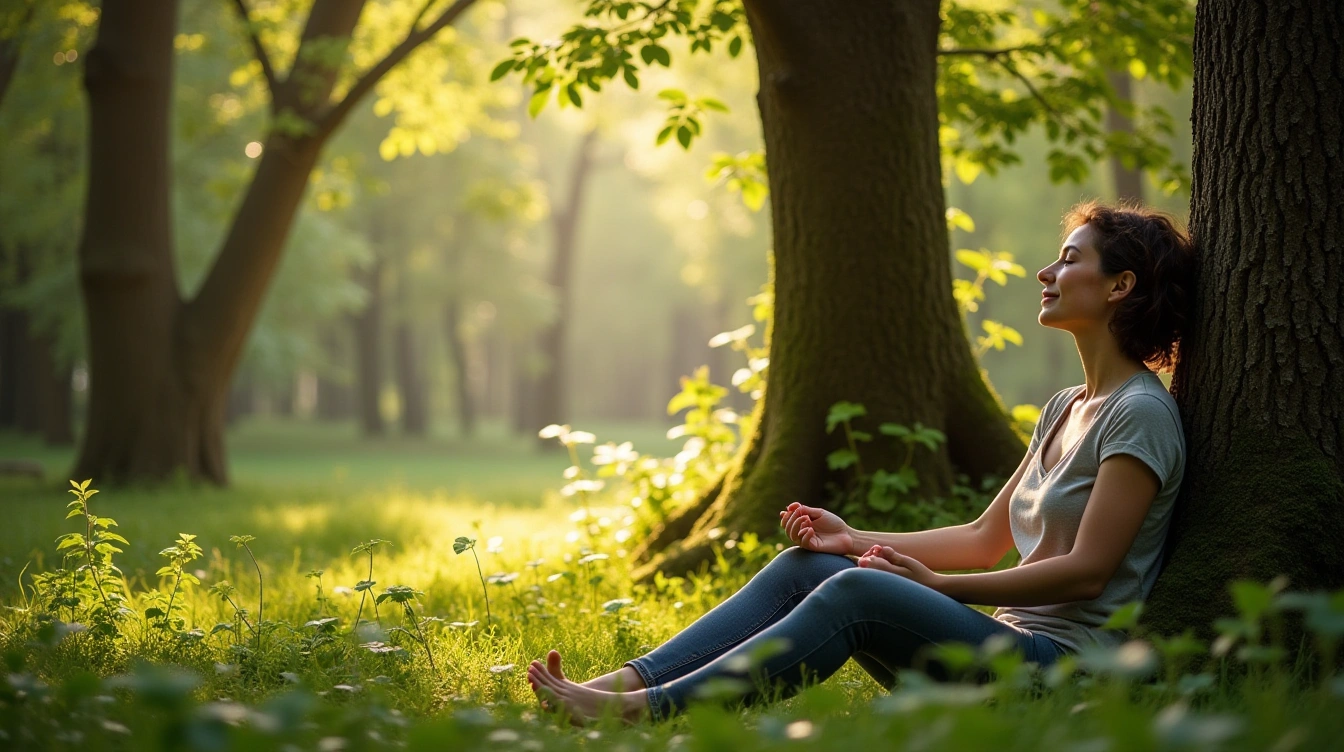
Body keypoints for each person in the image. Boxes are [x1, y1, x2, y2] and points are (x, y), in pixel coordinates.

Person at [527, 200, 1197, 724]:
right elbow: (983, 539)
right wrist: (854, 540)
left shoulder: (1139, 412)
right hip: (1002, 644)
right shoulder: (1063, 407)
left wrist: (940, 589)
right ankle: (614, 686)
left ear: (1120, 285)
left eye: (1069, 259)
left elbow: (1087, 573)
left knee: (855, 591)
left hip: (1064, 670)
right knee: (816, 564)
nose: (1046, 274)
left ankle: (642, 715)